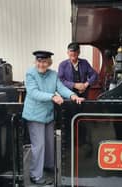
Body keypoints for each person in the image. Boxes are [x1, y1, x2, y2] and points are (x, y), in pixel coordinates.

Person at [22, 50, 84, 185]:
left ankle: (48, 166)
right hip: (34, 114)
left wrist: (73, 96)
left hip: (48, 115)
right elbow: (33, 93)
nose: (41, 64)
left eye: (44, 62)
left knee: (49, 142)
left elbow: (61, 88)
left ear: (49, 62)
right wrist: (52, 97)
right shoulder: (30, 74)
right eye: (39, 61)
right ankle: (35, 175)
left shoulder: (53, 74)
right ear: (36, 62)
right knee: (39, 145)